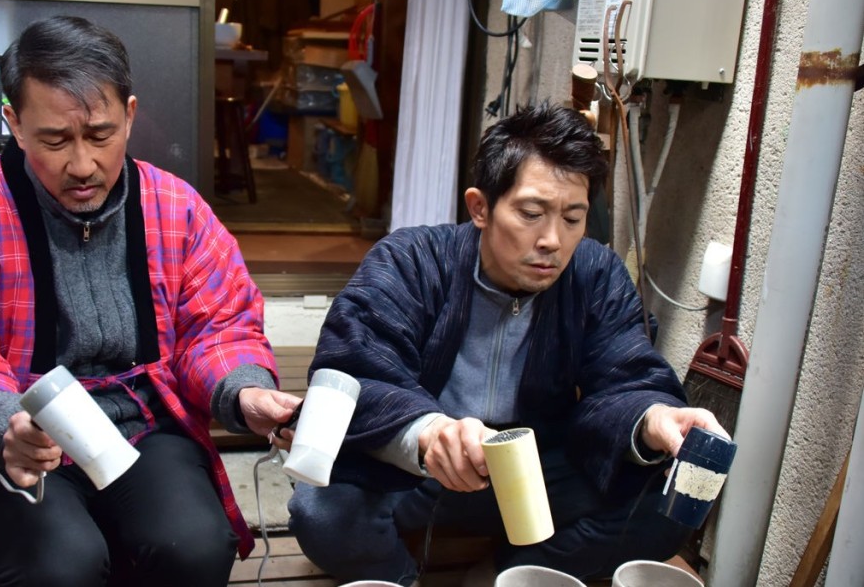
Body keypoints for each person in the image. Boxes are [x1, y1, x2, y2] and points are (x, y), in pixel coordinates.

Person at [0, 16, 301, 587]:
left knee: (194, 546)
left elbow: (219, 326)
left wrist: (245, 392)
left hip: (141, 425)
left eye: (100, 135)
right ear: (15, 125)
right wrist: (4, 426)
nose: (82, 165)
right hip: (23, 439)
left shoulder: (175, 206)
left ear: (128, 115)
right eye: (55, 139)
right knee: (59, 565)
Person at [288, 103, 728, 584]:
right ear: (480, 207)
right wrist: (429, 431)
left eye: (573, 218)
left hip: (535, 470)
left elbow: (625, 375)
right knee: (321, 511)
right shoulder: (412, 260)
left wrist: (656, 418)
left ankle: (511, 575)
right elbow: (355, 369)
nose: (553, 241)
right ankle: (399, 576)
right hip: (423, 469)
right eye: (532, 213)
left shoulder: (594, 274)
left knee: (667, 506)